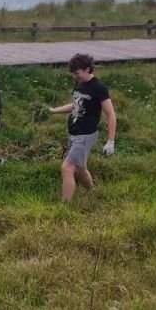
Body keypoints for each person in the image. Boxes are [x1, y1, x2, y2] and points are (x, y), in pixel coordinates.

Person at [47, 53, 116, 202]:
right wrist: (54, 110)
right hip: (75, 133)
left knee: (67, 168)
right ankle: (92, 192)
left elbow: (111, 115)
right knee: (80, 168)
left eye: (77, 73)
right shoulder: (79, 84)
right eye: (73, 74)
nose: (75, 76)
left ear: (87, 69)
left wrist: (110, 142)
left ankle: (64, 206)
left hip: (86, 135)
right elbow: (76, 105)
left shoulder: (99, 88)